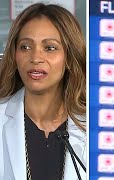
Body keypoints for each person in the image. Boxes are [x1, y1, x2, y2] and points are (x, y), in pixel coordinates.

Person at [0, 3, 86, 180]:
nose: (36, 58)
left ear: (69, 57)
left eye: (50, 48)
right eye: (25, 47)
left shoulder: (98, 127)